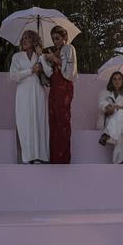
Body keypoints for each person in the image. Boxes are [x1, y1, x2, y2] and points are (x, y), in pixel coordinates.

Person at [9, 30, 49, 164]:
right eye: (23, 38)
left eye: (28, 38)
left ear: (34, 41)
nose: (24, 40)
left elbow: (49, 73)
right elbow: (13, 76)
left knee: (39, 122)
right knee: (25, 122)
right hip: (23, 92)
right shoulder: (17, 56)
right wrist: (31, 70)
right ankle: (28, 157)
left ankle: (41, 156)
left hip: (38, 91)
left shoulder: (40, 56)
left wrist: (41, 55)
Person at [41, 25, 77, 164]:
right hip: (55, 88)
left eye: (57, 38)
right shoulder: (56, 51)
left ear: (65, 38)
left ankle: (63, 158)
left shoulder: (69, 48)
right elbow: (50, 74)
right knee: (53, 121)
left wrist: (55, 59)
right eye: (53, 39)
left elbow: (70, 72)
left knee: (63, 121)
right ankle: (55, 158)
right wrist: (45, 57)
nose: (55, 41)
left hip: (64, 88)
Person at [97, 71, 123, 164]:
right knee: (121, 130)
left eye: (119, 79)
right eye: (114, 79)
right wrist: (114, 107)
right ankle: (122, 160)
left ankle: (107, 134)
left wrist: (115, 107)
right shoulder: (105, 92)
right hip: (109, 119)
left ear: (122, 81)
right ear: (111, 81)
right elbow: (101, 104)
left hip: (121, 120)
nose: (117, 81)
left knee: (121, 114)